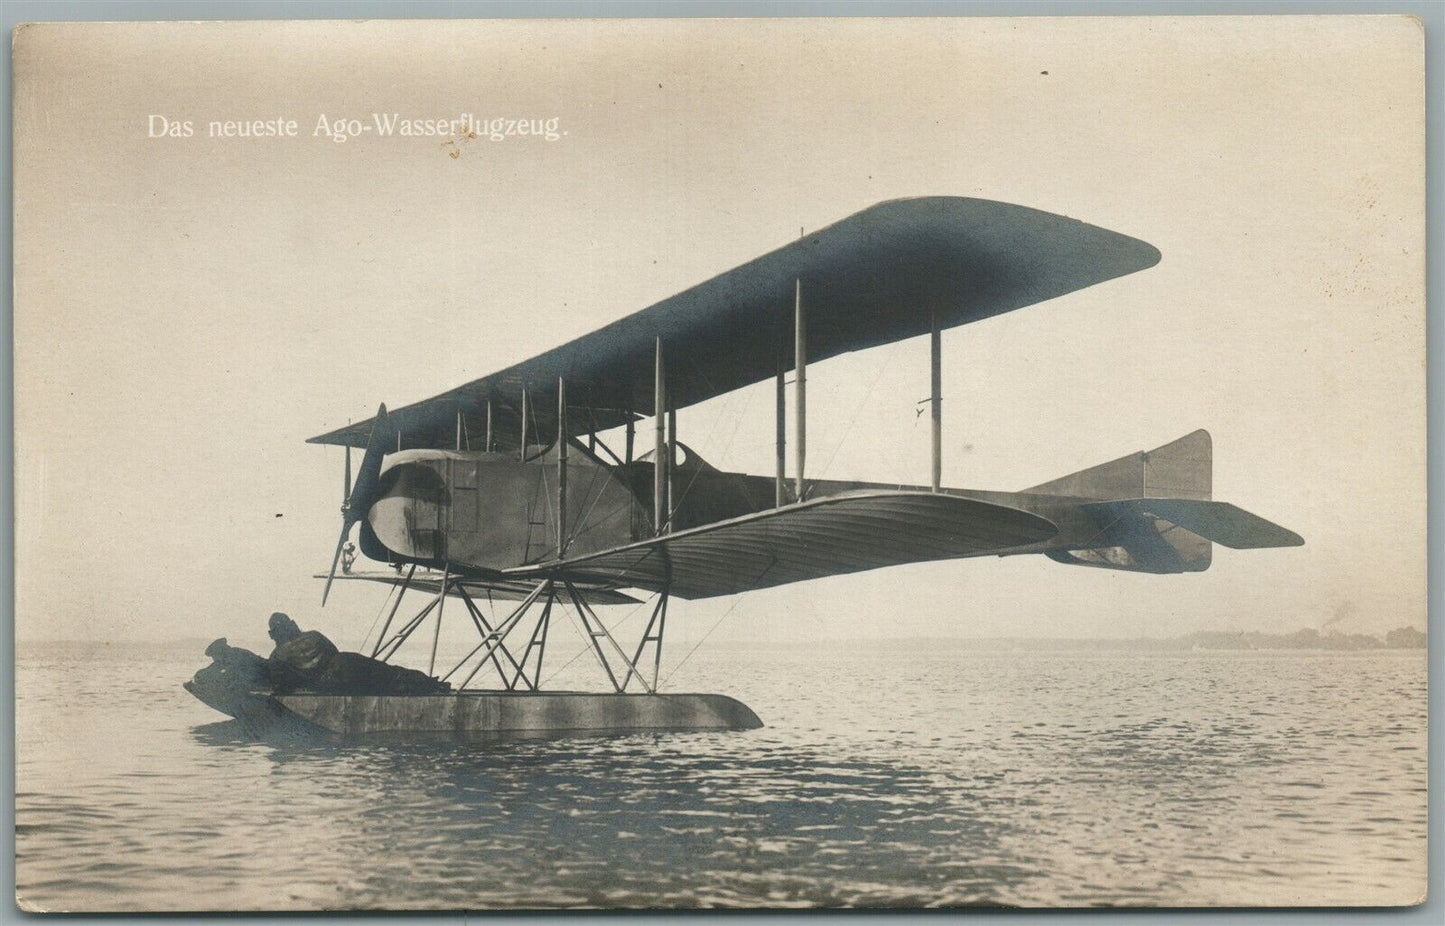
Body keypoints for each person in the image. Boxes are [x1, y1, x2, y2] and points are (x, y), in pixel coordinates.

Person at [265, 611, 450, 695]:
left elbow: (281, 688)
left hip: (334, 679)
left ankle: (428, 688)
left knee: (384, 688)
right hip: (347, 660)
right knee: (392, 674)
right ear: (292, 624)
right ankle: (433, 684)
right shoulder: (314, 635)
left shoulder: (277, 656)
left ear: (274, 633)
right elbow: (332, 651)